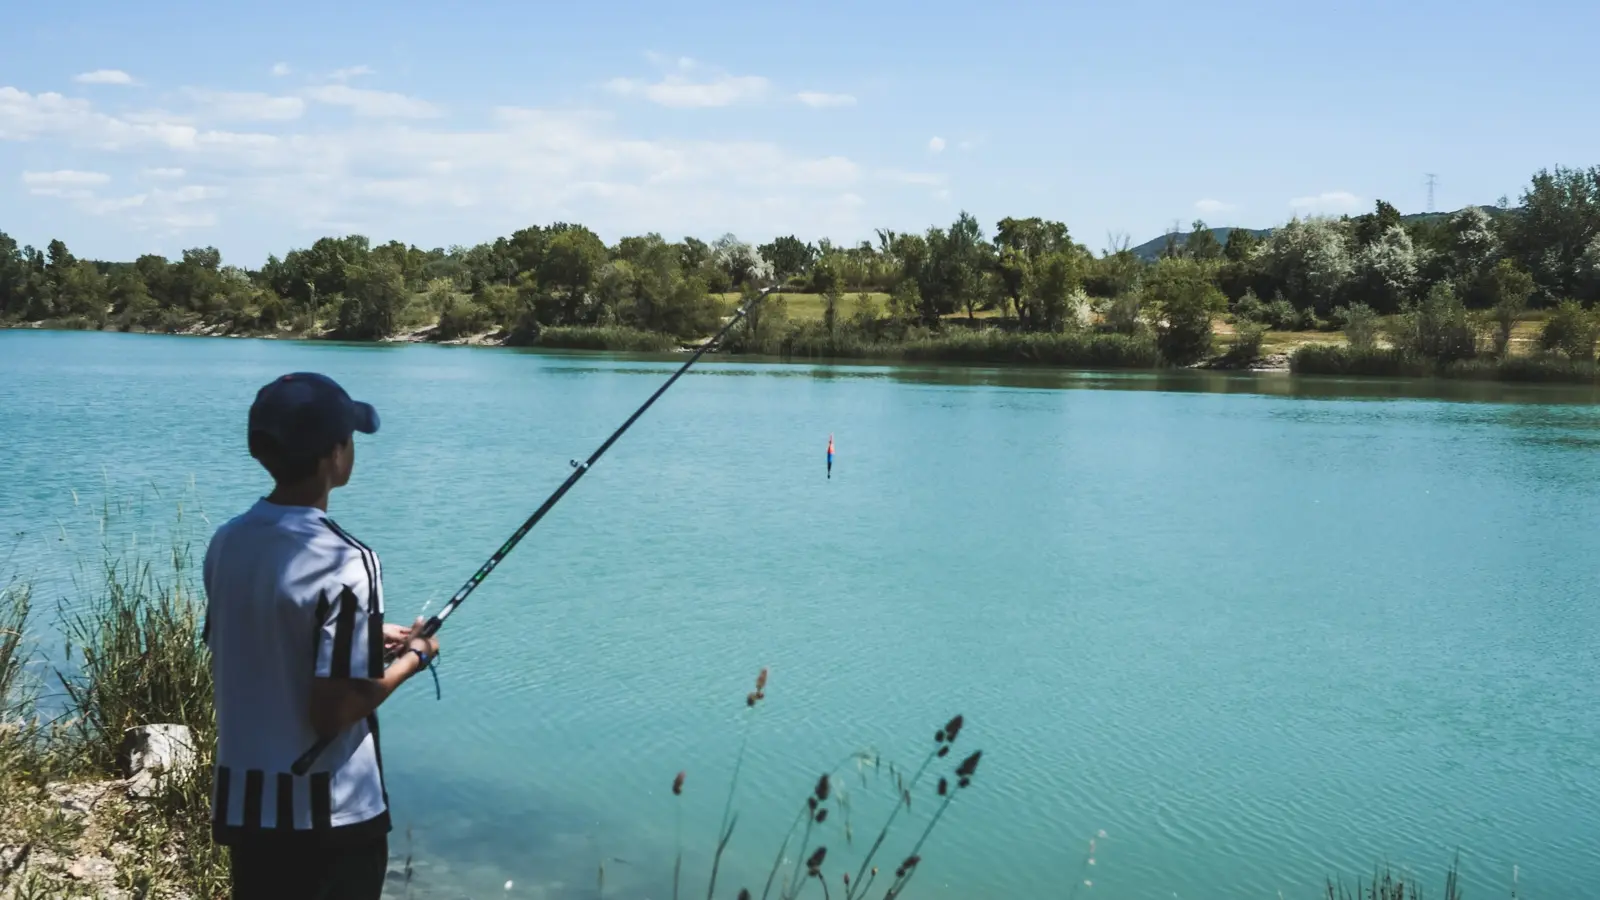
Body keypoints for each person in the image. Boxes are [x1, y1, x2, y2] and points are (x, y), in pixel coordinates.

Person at [201, 372, 439, 900]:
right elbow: (334, 710)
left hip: (246, 809)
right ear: (335, 453)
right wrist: (414, 658)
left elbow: (262, 636)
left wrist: (366, 635)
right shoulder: (348, 559)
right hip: (331, 819)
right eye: (350, 439)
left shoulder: (228, 542)